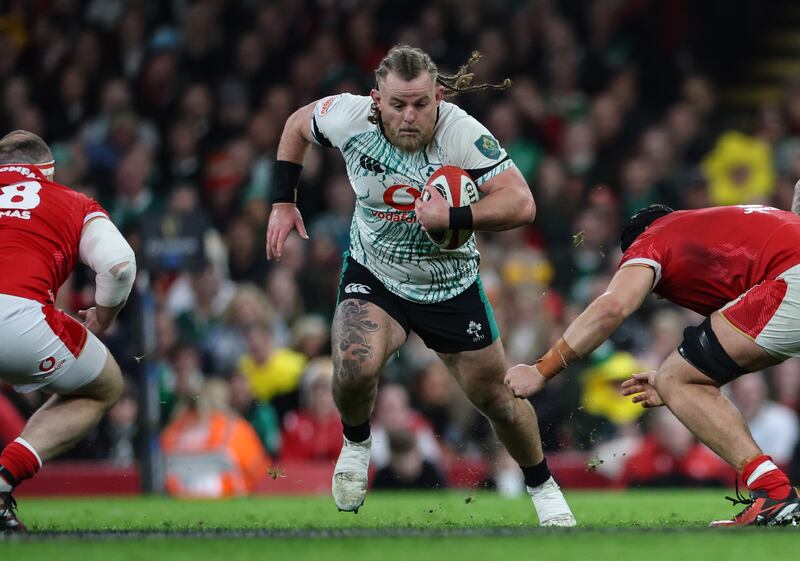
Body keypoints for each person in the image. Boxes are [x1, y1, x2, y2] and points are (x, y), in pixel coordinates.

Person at [266, 45, 575, 526]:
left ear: (439, 97)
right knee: (352, 364)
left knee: (498, 400)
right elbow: (295, 125)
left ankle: (543, 488)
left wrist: (452, 216)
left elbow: (521, 203)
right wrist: (283, 201)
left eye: (420, 104)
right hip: (377, 272)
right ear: (376, 101)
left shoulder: (463, 133)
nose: (409, 116)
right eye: (397, 105)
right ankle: (356, 441)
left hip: (451, 285)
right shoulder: (347, 117)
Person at [505, 203, 800, 526]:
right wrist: (682, 385)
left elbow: (613, 307)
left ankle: (774, 493)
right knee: (678, 379)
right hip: (789, 276)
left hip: (792, 279)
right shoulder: (729, 229)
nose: (658, 296)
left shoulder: (653, 237)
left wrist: (541, 370)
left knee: (676, 377)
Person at [0, 130, 135, 532]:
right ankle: (3, 479)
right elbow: (119, 265)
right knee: (104, 387)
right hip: (21, 320)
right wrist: (104, 318)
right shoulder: (72, 201)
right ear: (47, 171)